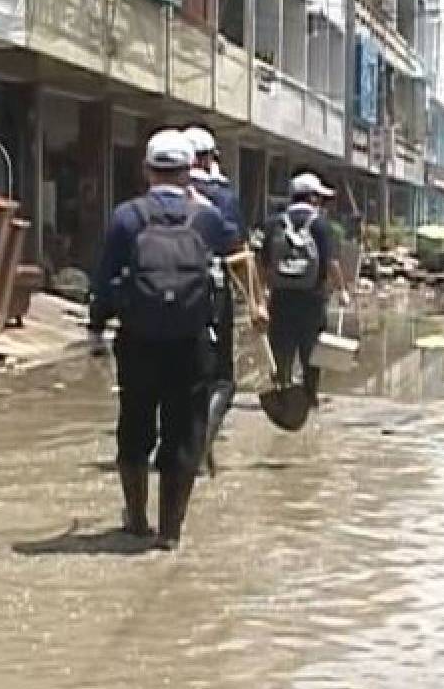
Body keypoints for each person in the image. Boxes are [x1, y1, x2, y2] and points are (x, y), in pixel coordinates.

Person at [88, 129, 232, 551]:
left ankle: (135, 519)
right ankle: (170, 532)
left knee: (134, 427)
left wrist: (96, 328)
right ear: (191, 171)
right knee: (184, 433)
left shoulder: (126, 217)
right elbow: (224, 269)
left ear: (147, 169)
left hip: (138, 341)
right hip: (191, 342)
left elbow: (105, 279)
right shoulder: (207, 218)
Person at [183, 126, 248, 475]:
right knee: (222, 380)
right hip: (211, 295)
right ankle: (201, 445)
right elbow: (238, 253)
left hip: (161, 300)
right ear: (208, 158)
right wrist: (256, 302)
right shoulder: (223, 199)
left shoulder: (151, 197)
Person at [258, 172, 351, 408]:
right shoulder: (321, 225)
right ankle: (309, 397)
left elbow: (262, 263)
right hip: (312, 297)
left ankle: (283, 393)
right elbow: (331, 263)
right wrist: (342, 290)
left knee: (281, 347)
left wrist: (261, 294)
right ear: (312, 198)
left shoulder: (273, 223)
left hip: (280, 297)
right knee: (311, 349)